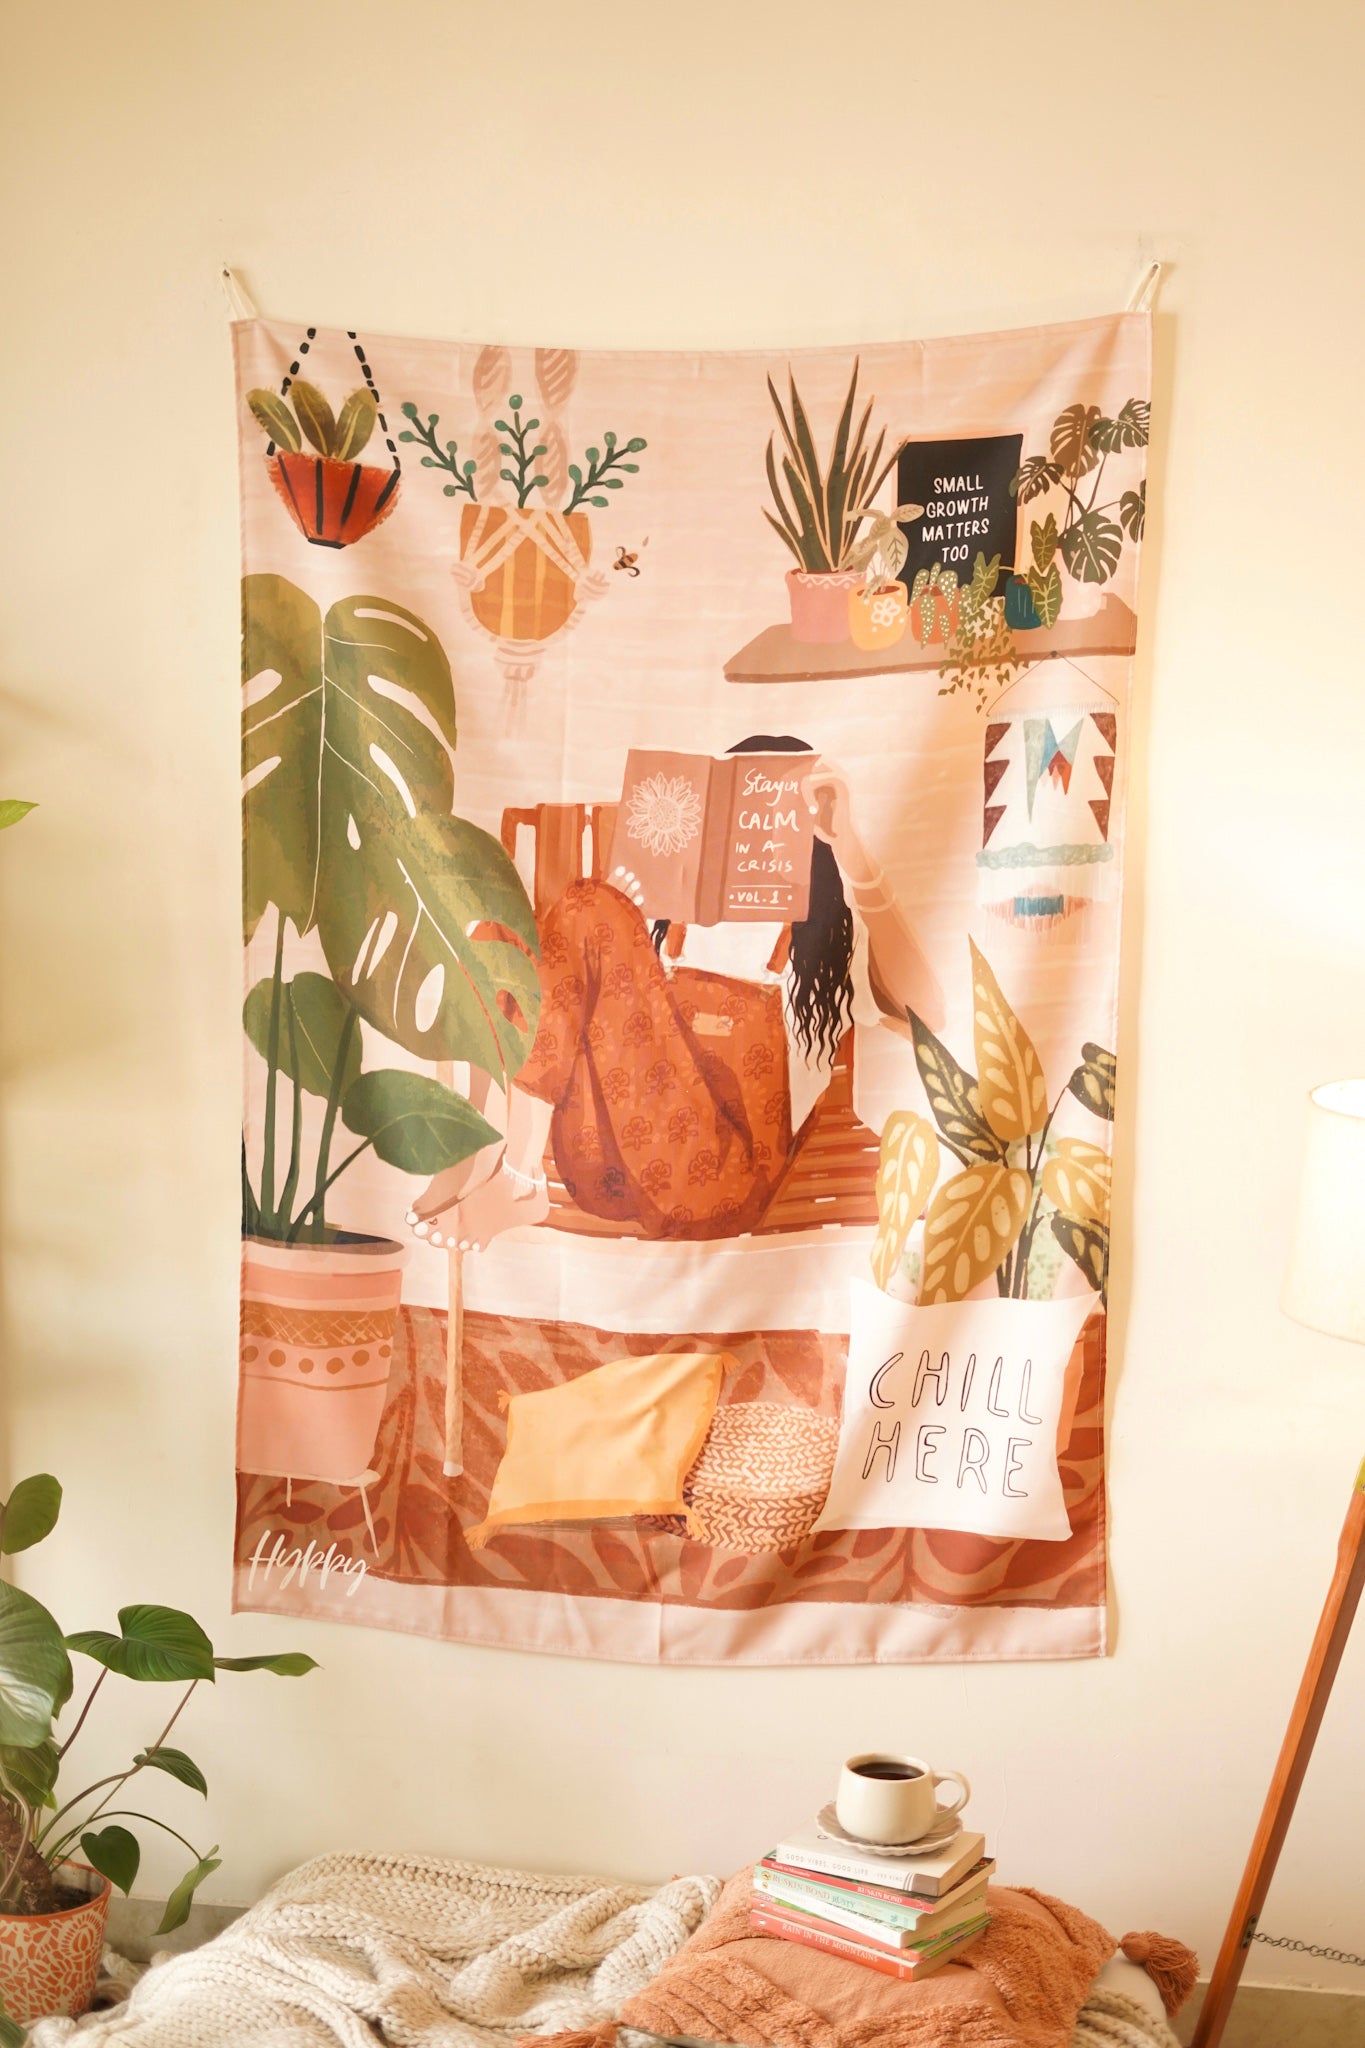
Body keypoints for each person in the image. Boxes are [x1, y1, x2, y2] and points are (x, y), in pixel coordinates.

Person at [408, 736, 944, 1249]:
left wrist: (847, 844)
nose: (749, 839)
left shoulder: (826, 944)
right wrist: (626, 921)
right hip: (607, 1167)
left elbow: (931, 1011)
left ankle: (519, 1176)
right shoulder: (670, 923)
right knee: (493, 934)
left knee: (588, 907)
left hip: (718, 1181)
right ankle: (465, 1150)